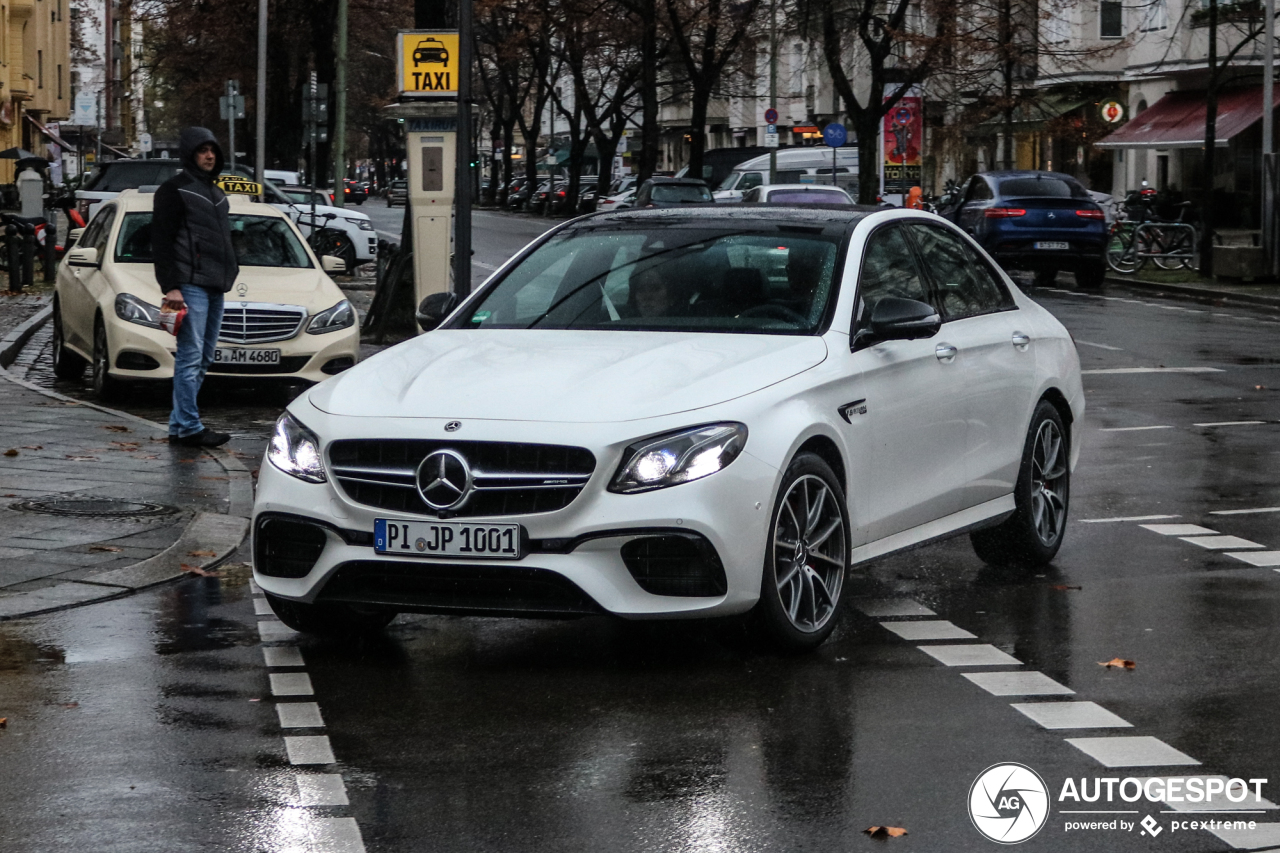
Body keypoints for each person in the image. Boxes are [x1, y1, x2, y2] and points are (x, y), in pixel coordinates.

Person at [152, 127, 240, 447]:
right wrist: (171, 287)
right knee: (190, 358)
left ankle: (179, 425)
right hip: (189, 286)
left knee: (203, 358)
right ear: (190, 153)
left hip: (216, 287)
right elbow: (160, 242)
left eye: (213, 150)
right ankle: (190, 426)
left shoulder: (217, 194)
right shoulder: (173, 190)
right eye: (203, 150)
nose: (209, 155)